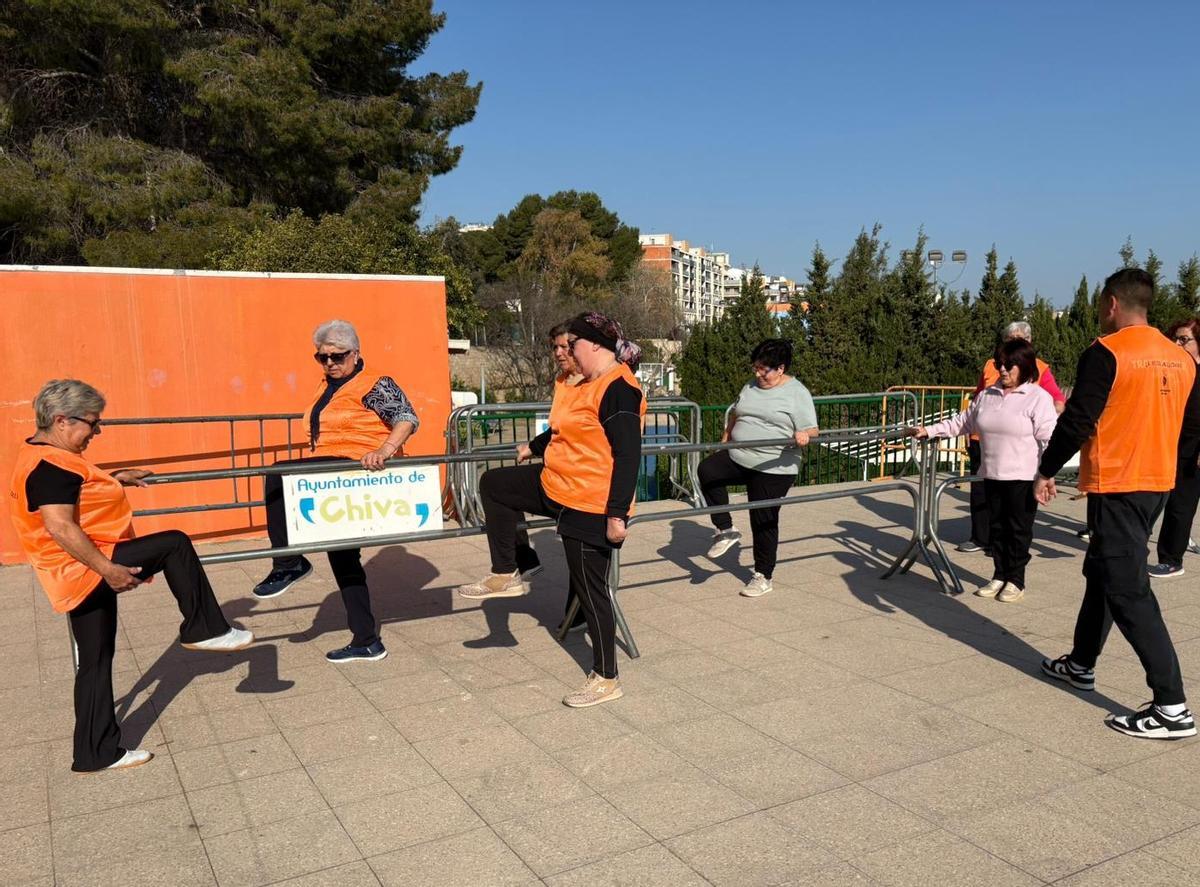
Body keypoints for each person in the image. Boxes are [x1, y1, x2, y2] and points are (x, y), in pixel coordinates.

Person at [9, 380, 255, 772]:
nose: (97, 431)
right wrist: (107, 569)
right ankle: (203, 628)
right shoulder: (51, 465)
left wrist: (112, 479)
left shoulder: (45, 451)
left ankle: (94, 753)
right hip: (84, 564)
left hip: (75, 568)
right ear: (61, 419)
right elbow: (60, 525)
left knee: (94, 659)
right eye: (93, 423)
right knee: (174, 543)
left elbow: (75, 488)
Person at [1037, 268, 1200, 740]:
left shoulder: (1106, 352)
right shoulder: (1181, 358)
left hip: (1119, 483)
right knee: (1102, 573)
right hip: (1157, 483)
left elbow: (1077, 422)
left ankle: (1171, 706)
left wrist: (1045, 470)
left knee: (1127, 589)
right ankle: (1081, 663)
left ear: (1111, 303)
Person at [456, 311, 646, 707]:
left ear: (593, 344)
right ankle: (509, 570)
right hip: (556, 483)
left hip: (590, 501)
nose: (565, 352)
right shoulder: (583, 382)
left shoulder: (618, 389)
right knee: (495, 484)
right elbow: (568, 429)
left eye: (571, 344)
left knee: (592, 590)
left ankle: (607, 677)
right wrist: (535, 447)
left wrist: (616, 515)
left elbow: (628, 456)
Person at [251, 320, 418, 664]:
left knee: (278, 475)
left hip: (354, 471)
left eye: (337, 356)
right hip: (330, 476)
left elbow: (407, 417)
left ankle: (288, 562)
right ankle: (366, 640)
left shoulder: (375, 383)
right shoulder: (325, 386)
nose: (329, 363)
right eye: (321, 357)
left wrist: (384, 450)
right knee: (343, 556)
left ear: (355, 354)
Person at [910, 339, 1057, 602]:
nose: (1002, 370)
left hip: (1023, 477)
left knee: (1018, 531)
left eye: (1008, 365)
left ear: (1023, 366)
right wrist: (929, 431)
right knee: (997, 529)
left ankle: (1016, 580)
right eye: (999, 364)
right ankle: (999, 575)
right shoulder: (987, 395)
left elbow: (1049, 439)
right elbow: (962, 422)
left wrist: (1048, 475)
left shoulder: (1038, 398)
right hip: (991, 474)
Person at [698, 339, 818, 597]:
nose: (757, 374)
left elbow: (813, 429)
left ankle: (763, 575)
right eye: (755, 367)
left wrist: (805, 435)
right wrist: (726, 436)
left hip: (775, 465)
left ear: (780, 369)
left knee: (762, 518)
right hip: (740, 454)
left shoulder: (797, 393)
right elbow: (736, 412)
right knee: (708, 470)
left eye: (764, 369)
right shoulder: (751, 386)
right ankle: (726, 530)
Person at [958, 321, 1068, 555]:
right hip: (984, 439)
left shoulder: (1039, 372)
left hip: (1018, 453)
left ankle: (1011, 567)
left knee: (1014, 513)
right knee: (982, 494)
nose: (1004, 369)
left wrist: (1043, 415)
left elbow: (1058, 402)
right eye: (1010, 339)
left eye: (1018, 338)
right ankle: (981, 539)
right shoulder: (992, 366)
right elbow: (977, 401)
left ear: (1028, 342)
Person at [510, 322, 587, 633]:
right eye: (553, 347)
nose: (557, 353)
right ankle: (520, 561)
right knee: (498, 487)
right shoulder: (563, 381)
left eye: (563, 346)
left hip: (585, 483)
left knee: (581, 553)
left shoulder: (597, 383)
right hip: (560, 476)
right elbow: (558, 430)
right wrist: (533, 446)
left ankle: (584, 621)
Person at [1148, 317, 1200, 579]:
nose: (1178, 344)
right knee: (1153, 499)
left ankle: (1171, 559)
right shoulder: (1173, 370)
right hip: (1166, 441)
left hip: (1193, 448)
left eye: (1184, 339)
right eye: (1175, 339)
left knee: (1181, 504)